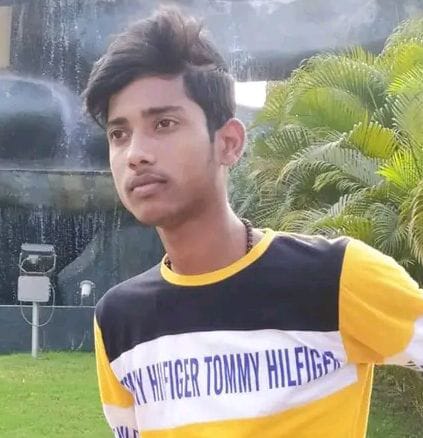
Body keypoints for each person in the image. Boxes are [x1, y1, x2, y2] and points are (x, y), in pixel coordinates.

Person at [84, 7, 423, 438]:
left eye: (164, 123)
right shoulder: (119, 319)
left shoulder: (334, 279)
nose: (135, 154)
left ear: (228, 143)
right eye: (119, 134)